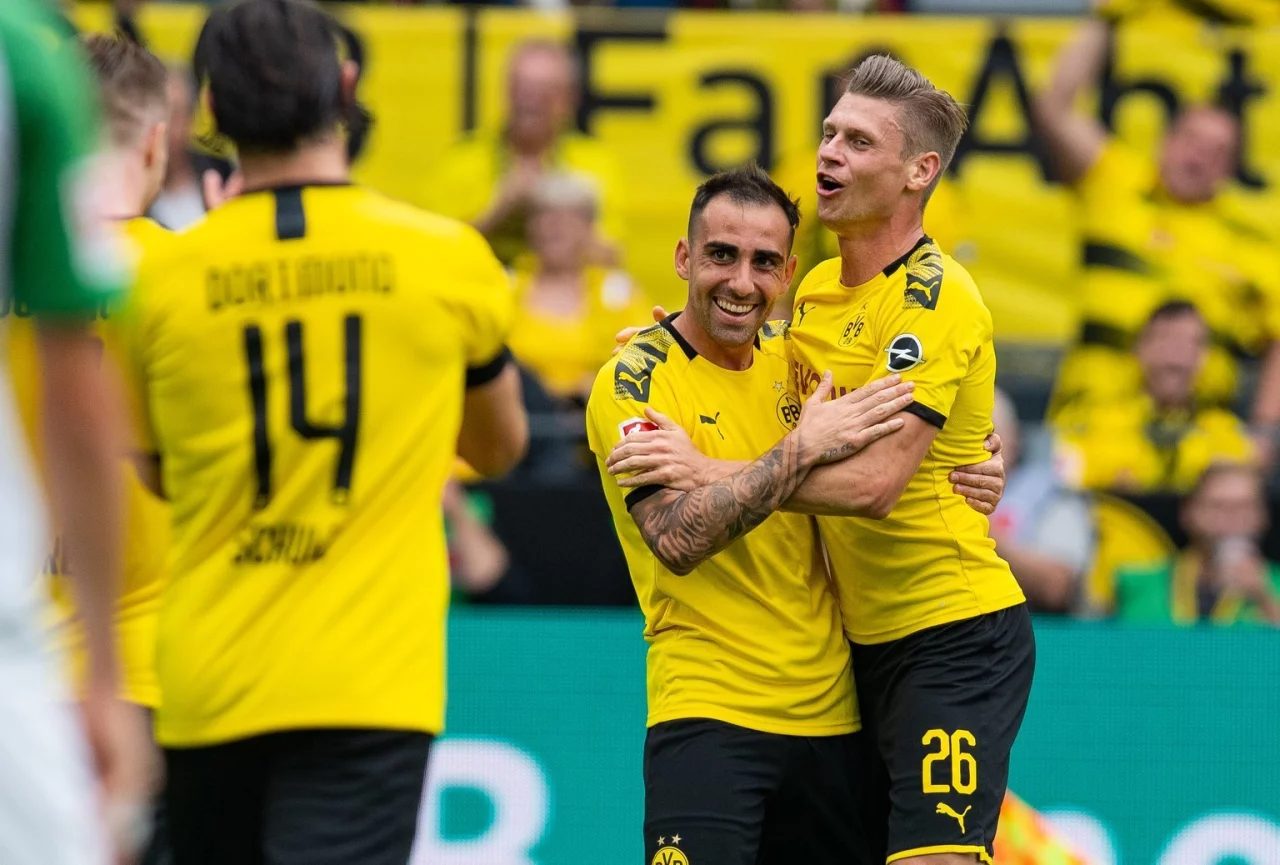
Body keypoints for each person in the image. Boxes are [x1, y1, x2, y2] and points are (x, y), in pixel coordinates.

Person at [116, 1, 528, 862]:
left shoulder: (159, 281)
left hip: (206, 677)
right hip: (368, 684)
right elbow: (499, 449)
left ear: (210, 109)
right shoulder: (447, 258)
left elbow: (158, 473)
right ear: (345, 87)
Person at [608, 57, 1033, 865]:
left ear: (919, 171)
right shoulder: (817, 292)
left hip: (949, 632)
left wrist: (706, 468)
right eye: (830, 132)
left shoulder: (937, 296)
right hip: (852, 651)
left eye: (859, 141)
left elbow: (874, 484)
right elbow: (768, 369)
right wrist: (683, 337)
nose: (829, 152)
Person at [7, 31, 174, 863]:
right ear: (155, 141)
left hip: (22, 654)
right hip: (149, 662)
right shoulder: (184, 271)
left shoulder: (18, 275)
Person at [1034, 17, 1280, 432]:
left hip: (1197, 443)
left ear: (1229, 170)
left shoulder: (1249, 242)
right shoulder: (1116, 182)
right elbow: (1055, 108)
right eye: (1191, 140)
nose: (1198, 158)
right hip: (1087, 430)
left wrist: (1266, 433)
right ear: (1166, 141)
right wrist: (1106, 18)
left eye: (1216, 152)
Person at [421, 39, 625, 268]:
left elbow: (610, 257)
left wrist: (557, 220)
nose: (529, 99)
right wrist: (499, 211)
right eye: (520, 88)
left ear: (569, 98)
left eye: (544, 91)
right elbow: (436, 251)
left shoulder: (593, 162)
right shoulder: (464, 159)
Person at [1056, 301, 1254, 494]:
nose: (1177, 354)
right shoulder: (1093, 420)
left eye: (1192, 343)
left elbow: (1242, 487)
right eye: (1166, 340)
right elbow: (1064, 479)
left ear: (1205, 356)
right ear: (1139, 349)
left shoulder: (1224, 431)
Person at [508, 172, 649, 403]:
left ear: (589, 227)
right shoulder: (506, 286)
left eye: (567, 219)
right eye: (544, 217)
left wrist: (599, 383)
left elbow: (643, 361)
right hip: (520, 414)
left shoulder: (617, 292)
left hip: (593, 413)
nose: (553, 228)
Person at [1115, 462, 1280, 625]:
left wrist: (1265, 599)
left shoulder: (1274, 585)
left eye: (1244, 507)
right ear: (1187, 513)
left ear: (1263, 516)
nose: (1231, 517)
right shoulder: (1138, 584)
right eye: (1217, 506)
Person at [988, 389, 1096, 614]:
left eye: (986, 435)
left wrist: (979, 528)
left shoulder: (1051, 496)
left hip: (1039, 628)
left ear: (1014, 440)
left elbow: (1057, 587)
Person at [148, 66, 206, 231]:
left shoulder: (222, 174)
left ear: (191, 118)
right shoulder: (133, 197)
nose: (165, 128)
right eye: (158, 116)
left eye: (174, 115)